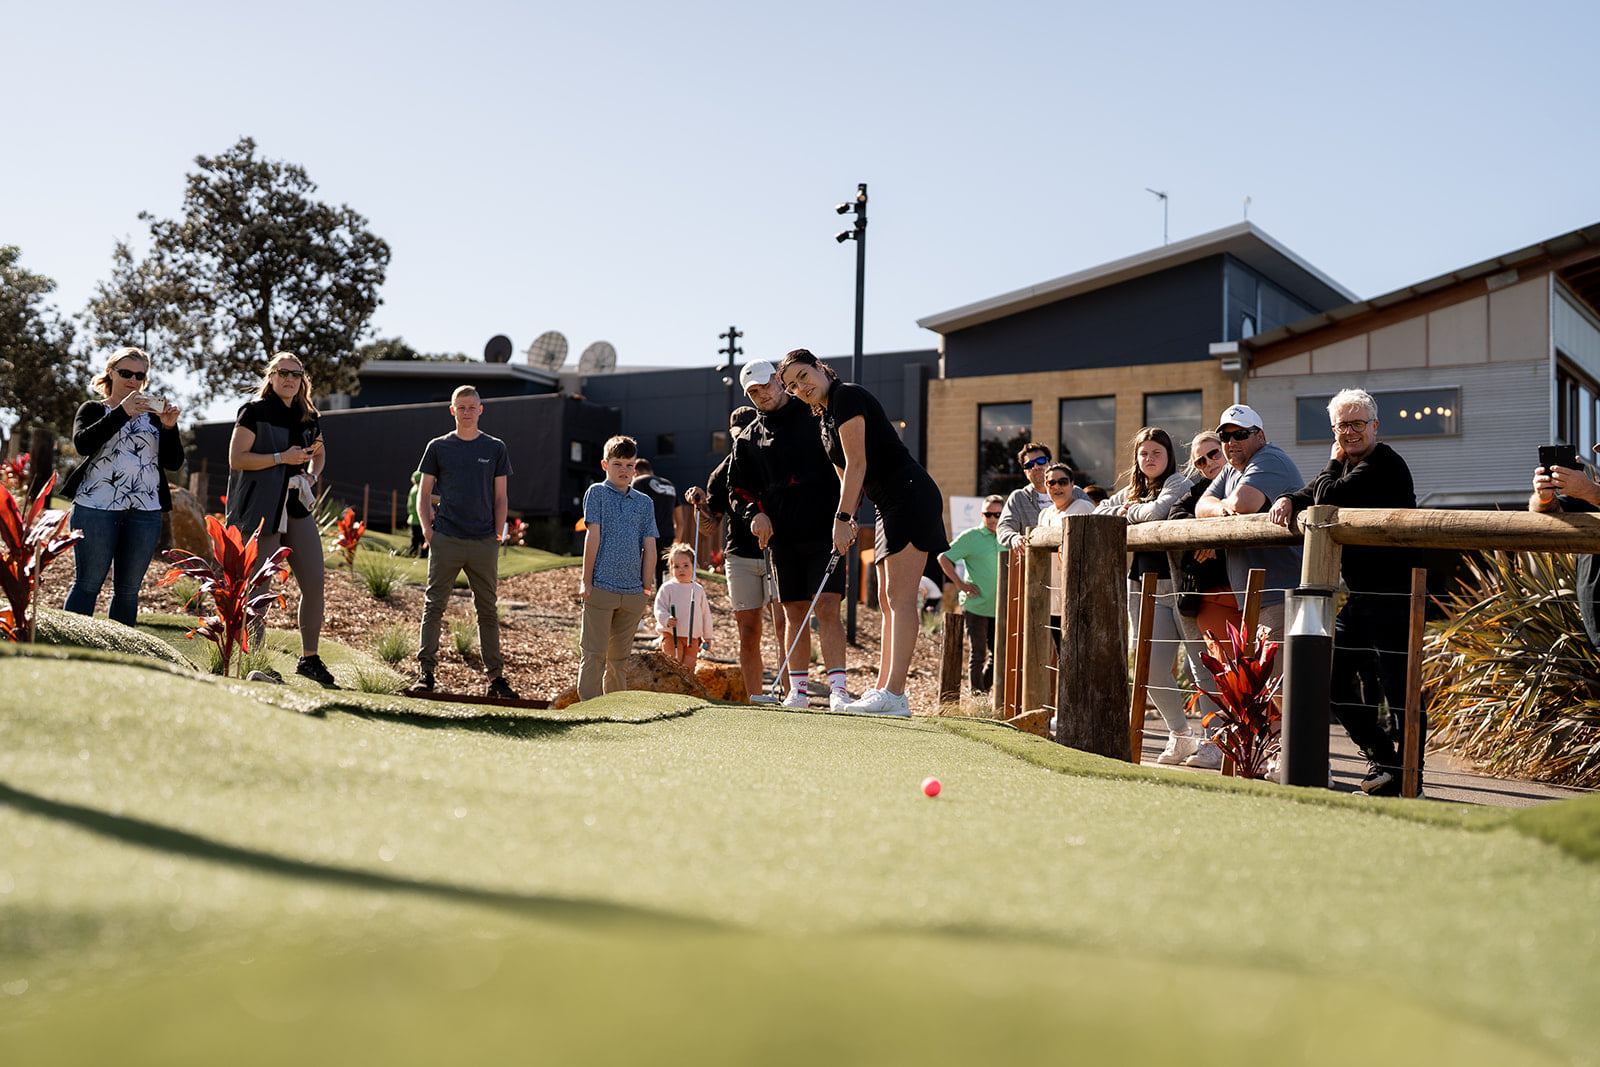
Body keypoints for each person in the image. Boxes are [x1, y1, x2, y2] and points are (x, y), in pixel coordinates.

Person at [778, 348, 950, 717]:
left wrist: (841, 518)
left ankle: (895, 694)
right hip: (887, 504)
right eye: (792, 386)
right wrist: (849, 516)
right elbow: (846, 478)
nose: (800, 387)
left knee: (900, 598)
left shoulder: (847, 396)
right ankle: (884, 690)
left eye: (803, 376)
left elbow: (858, 463)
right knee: (888, 599)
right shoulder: (825, 420)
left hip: (909, 494)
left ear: (820, 367)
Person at [1270, 388, 1418, 795]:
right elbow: (1310, 494)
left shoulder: (1383, 464)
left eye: (1357, 424)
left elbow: (1328, 497)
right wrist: (1286, 498)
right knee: (1331, 680)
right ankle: (1385, 761)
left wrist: (1332, 462)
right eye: (1341, 426)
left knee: (1399, 690)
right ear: (1333, 429)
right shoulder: (1348, 466)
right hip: (1362, 598)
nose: (1349, 432)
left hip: (1396, 595)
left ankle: (1411, 781)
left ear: (1375, 426)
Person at [730, 359, 850, 711]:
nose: (762, 394)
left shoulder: (816, 414)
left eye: (766, 385)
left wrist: (848, 514)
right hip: (782, 538)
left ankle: (838, 691)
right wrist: (755, 514)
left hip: (826, 529)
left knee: (827, 606)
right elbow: (738, 489)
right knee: (794, 612)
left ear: (779, 381)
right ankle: (798, 692)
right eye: (754, 391)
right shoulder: (748, 438)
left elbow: (847, 464)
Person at [225, 352, 336, 687]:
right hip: (261, 508)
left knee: (314, 583)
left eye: (296, 374)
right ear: (270, 376)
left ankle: (309, 659)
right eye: (283, 373)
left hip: (296, 507)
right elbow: (237, 459)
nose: (289, 379)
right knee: (260, 589)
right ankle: (253, 661)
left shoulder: (308, 415)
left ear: (302, 380)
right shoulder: (253, 411)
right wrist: (280, 458)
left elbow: (320, 452)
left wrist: (313, 476)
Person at [60, 346, 184, 627]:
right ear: (111, 373)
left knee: (128, 591)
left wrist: (169, 427)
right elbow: (82, 444)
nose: (133, 380)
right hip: (95, 507)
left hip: (145, 511)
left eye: (140, 376)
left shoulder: (154, 417)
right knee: (87, 584)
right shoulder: (93, 409)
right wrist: (121, 413)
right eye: (126, 373)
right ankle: (69, 646)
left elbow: (174, 462)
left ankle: (119, 651)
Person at [1096, 428, 1198, 764]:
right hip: (1142, 586)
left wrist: (1129, 511)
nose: (1149, 459)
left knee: (1199, 667)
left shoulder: (1178, 483)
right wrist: (1128, 507)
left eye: (1156, 452)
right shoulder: (1133, 490)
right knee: (1148, 669)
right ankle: (1181, 735)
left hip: (1180, 586)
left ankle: (1215, 741)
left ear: (1169, 456)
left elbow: (1158, 512)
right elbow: (1098, 513)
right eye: (1143, 454)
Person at [408, 386, 516, 699]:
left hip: (484, 541)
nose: (466, 412)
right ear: (452, 410)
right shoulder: (438, 447)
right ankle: (426, 673)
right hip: (447, 538)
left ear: (480, 410)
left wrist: (498, 535)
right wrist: (428, 531)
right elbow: (424, 494)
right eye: (461, 407)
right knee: (434, 606)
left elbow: (501, 496)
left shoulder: (495, 447)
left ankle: (496, 679)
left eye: (471, 407)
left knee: (488, 611)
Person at [685, 406, 787, 701]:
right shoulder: (722, 473)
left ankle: (793, 696)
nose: (744, 438)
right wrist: (700, 505)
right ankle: (755, 698)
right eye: (738, 434)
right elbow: (709, 527)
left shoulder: (776, 461)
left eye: (750, 431)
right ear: (732, 434)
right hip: (740, 557)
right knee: (748, 631)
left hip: (778, 553)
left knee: (785, 626)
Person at [1195, 403, 1305, 654]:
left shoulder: (1269, 458)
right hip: (1256, 599)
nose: (1232, 442)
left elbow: (1244, 503)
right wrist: (1223, 510)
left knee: (1280, 679)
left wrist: (1224, 506)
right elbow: (1202, 506)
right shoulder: (1231, 470)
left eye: (1241, 434)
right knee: (1262, 679)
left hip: (1281, 596)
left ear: (1260, 436)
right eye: (1225, 437)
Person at [1166, 430, 1237, 770]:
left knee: (1263, 675)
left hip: (1257, 592)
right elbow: (1175, 517)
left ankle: (1263, 749)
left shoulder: (1249, 479)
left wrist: (1215, 533)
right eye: (1200, 461)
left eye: (1213, 454)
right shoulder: (1196, 492)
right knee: (1218, 673)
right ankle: (1217, 744)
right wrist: (1205, 530)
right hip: (1212, 596)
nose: (1208, 463)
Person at [576, 435, 657, 701]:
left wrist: (646, 588)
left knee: (618, 660)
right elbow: (593, 537)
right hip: (601, 587)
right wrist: (586, 581)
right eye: (618, 464)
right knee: (594, 655)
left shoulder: (645, 503)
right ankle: (588, 711)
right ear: (605, 465)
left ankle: (615, 712)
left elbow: (650, 547)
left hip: (633, 594)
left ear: (635, 468)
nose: (624, 470)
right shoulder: (597, 493)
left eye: (629, 465)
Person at [1530, 444, 1600, 655]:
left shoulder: (1593, 493)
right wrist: (1544, 495)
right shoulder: (1590, 496)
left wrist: (1590, 491)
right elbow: (1548, 511)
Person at [938, 494, 1004, 696]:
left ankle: (983, 693)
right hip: (975, 605)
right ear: (982, 515)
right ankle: (977, 697)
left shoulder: (1007, 537)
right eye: (988, 514)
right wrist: (959, 584)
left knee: (998, 655)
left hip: (1001, 606)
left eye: (997, 514)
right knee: (978, 655)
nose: (992, 519)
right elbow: (943, 558)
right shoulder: (971, 537)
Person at [1025, 463, 1094, 646]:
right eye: (1051, 483)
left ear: (1072, 484)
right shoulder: (1044, 514)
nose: (1057, 487)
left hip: (1079, 595)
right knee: (1061, 651)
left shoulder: (1082, 507)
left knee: (1078, 650)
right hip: (1053, 596)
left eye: (1062, 482)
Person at [995, 442, 1090, 550]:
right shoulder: (1019, 498)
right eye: (1030, 465)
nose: (1036, 467)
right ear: (1025, 473)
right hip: (1036, 559)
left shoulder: (1076, 493)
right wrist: (1014, 538)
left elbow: (1096, 522)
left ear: (1050, 463)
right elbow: (1003, 527)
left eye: (1041, 461)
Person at [655, 541, 712, 669]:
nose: (681, 569)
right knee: (673, 668)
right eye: (676, 566)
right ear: (671, 569)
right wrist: (666, 619)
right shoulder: (667, 588)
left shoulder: (698, 590)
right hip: (672, 635)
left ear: (694, 566)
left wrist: (707, 636)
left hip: (692, 638)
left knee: (688, 670)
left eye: (686, 565)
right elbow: (659, 608)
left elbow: (705, 614)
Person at [632, 459, 678, 588]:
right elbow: (680, 519)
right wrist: (677, 539)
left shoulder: (638, 482)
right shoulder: (669, 484)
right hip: (668, 533)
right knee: (663, 572)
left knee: (641, 569)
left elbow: (634, 510)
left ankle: (640, 595)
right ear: (651, 471)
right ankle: (663, 597)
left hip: (648, 534)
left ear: (635, 473)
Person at [406, 471, 427, 557]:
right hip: (418, 519)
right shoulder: (418, 491)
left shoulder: (414, 488)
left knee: (416, 539)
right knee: (419, 539)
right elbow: (418, 505)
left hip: (414, 518)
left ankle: (414, 554)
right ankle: (416, 554)